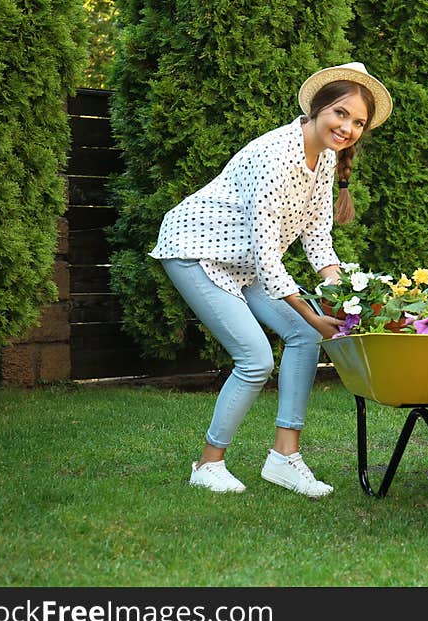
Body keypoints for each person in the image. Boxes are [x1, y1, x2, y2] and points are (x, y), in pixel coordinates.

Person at [149, 62, 392, 497]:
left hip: (244, 260)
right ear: (317, 108)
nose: (348, 127)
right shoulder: (276, 156)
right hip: (196, 251)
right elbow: (268, 258)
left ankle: (283, 457)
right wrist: (312, 312)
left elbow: (318, 240)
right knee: (256, 359)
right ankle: (207, 464)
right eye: (340, 113)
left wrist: (344, 296)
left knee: (303, 334)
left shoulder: (325, 157)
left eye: (358, 122)